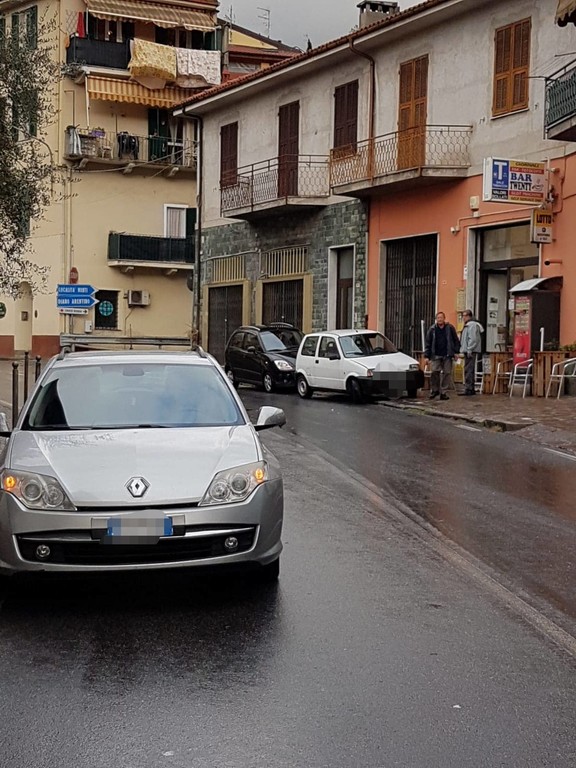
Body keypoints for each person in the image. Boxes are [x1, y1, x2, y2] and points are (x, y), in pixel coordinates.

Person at [424, 311, 460, 401]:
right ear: (436, 319)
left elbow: (456, 340)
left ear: (444, 318)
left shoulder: (450, 328)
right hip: (435, 354)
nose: (439, 319)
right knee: (434, 372)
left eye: (441, 317)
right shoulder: (432, 329)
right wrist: (427, 356)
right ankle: (435, 390)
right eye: (438, 318)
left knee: (447, 373)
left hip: (447, 354)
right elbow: (428, 343)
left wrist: (456, 352)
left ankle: (443, 392)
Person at [458, 309, 484, 396]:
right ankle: (470, 388)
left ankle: (469, 388)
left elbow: (473, 338)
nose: (463, 318)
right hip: (468, 350)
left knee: (468, 370)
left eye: (465, 316)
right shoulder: (469, 325)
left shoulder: (471, 325)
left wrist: (469, 349)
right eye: (463, 316)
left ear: (469, 316)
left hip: (470, 351)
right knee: (469, 369)